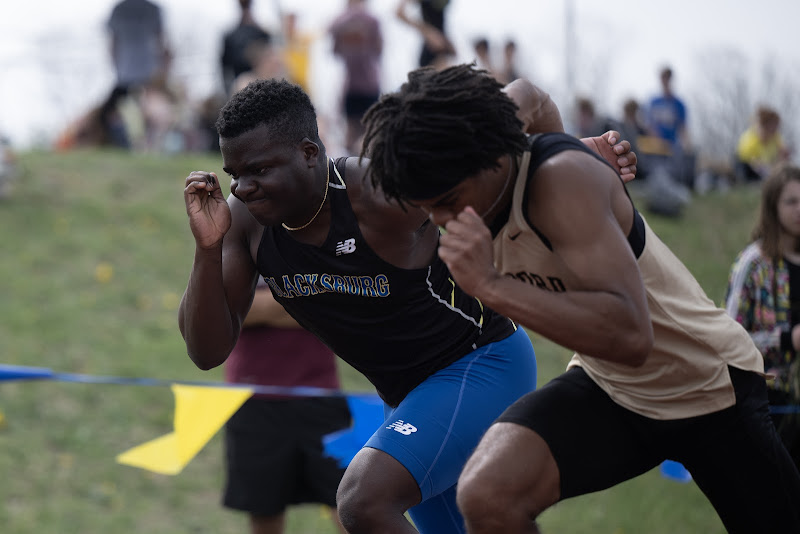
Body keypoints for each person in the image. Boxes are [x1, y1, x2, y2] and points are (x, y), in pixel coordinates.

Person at [178, 75, 635, 533]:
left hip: (481, 365)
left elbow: (517, 112)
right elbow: (207, 351)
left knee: (363, 500)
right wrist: (207, 249)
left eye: (258, 170)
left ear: (309, 153)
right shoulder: (245, 224)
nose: (242, 188)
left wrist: (570, 159)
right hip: (406, 401)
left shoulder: (378, 192)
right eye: (235, 174)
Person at [359, 63, 800, 534]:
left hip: (708, 383)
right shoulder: (512, 164)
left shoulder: (563, 183)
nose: (444, 219)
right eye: (430, 206)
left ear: (492, 154)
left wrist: (491, 285)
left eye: (450, 198)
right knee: (488, 495)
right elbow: (531, 97)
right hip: (613, 388)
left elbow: (631, 335)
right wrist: (573, 146)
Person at [222, 280, 350, 534]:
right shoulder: (237, 245)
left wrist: (261, 308)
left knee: (352, 505)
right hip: (253, 403)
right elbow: (223, 312)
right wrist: (306, 305)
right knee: (264, 513)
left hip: (321, 398)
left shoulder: (321, 246)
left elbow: (342, 308)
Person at [725, 162, 800, 470]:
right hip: (764, 404)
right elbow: (728, 340)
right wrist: (786, 339)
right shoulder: (753, 263)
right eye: (791, 201)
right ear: (773, 207)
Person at [329, 0, 383, 155]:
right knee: (365, 133)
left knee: (355, 133)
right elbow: (379, 50)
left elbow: (335, 51)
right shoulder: (371, 20)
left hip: (357, 84)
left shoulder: (340, 21)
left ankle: (353, 170)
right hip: (365, 83)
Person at [220, 0, 273, 97]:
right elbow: (225, 66)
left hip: (262, 84)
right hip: (241, 86)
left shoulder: (261, 33)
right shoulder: (231, 36)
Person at [734, 105, 791, 183]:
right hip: (747, 167)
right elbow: (755, 164)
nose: (775, 131)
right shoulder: (749, 140)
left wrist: (783, 159)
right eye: (772, 127)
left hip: (767, 166)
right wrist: (771, 171)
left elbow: (784, 154)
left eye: (776, 127)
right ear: (764, 126)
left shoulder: (775, 137)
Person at [395, 0, 454, 69]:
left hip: (444, 45)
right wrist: (428, 33)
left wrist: (447, 40)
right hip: (433, 50)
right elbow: (399, 12)